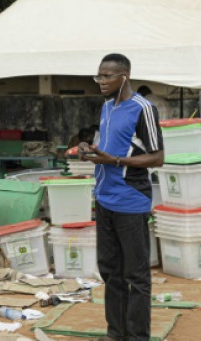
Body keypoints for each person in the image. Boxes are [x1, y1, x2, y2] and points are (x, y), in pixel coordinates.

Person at [78, 53, 163, 341]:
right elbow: (108, 146)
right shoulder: (107, 107)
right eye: (98, 76)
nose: (101, 81)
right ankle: (116, 333)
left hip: (130, 201)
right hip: (104, 199)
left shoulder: (143, 109)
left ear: (123, 77)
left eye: (107, 76)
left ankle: (137, 336)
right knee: (110, 271)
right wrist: (88, 148)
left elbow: (158, 157)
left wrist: (114, 161)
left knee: (136, 276)